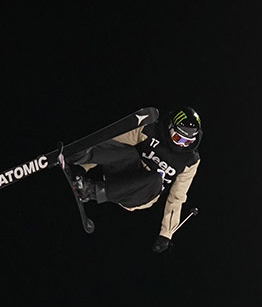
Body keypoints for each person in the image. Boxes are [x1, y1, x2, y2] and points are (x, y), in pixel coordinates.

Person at [67, 108, 202, 252]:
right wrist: (82, 168)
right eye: (177, 138)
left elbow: (177, 197)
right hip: (122, 174)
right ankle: (80, 157)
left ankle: (91, 191)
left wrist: (166, 234)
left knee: (156, 179)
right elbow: (114, 143)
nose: (181, 144)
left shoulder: (190, 161)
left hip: (140, 194)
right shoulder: (150, 130)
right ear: (170, 127)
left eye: (187, 142)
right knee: (129, 152)